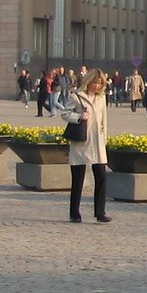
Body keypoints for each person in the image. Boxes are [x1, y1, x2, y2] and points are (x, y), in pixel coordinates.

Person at [60, 68, 112, 224]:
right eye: (95, 82)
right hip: (81, 142)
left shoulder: (101, 98)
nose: (96, 86)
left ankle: (100, 212)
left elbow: (104, 120)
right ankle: (74, 212)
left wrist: (105, 138)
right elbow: (65, 113)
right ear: (88, 82)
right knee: (78, 179)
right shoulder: (77, 97)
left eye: (99, 83)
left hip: (97, 142)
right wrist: (79, 116)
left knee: (101, 177)